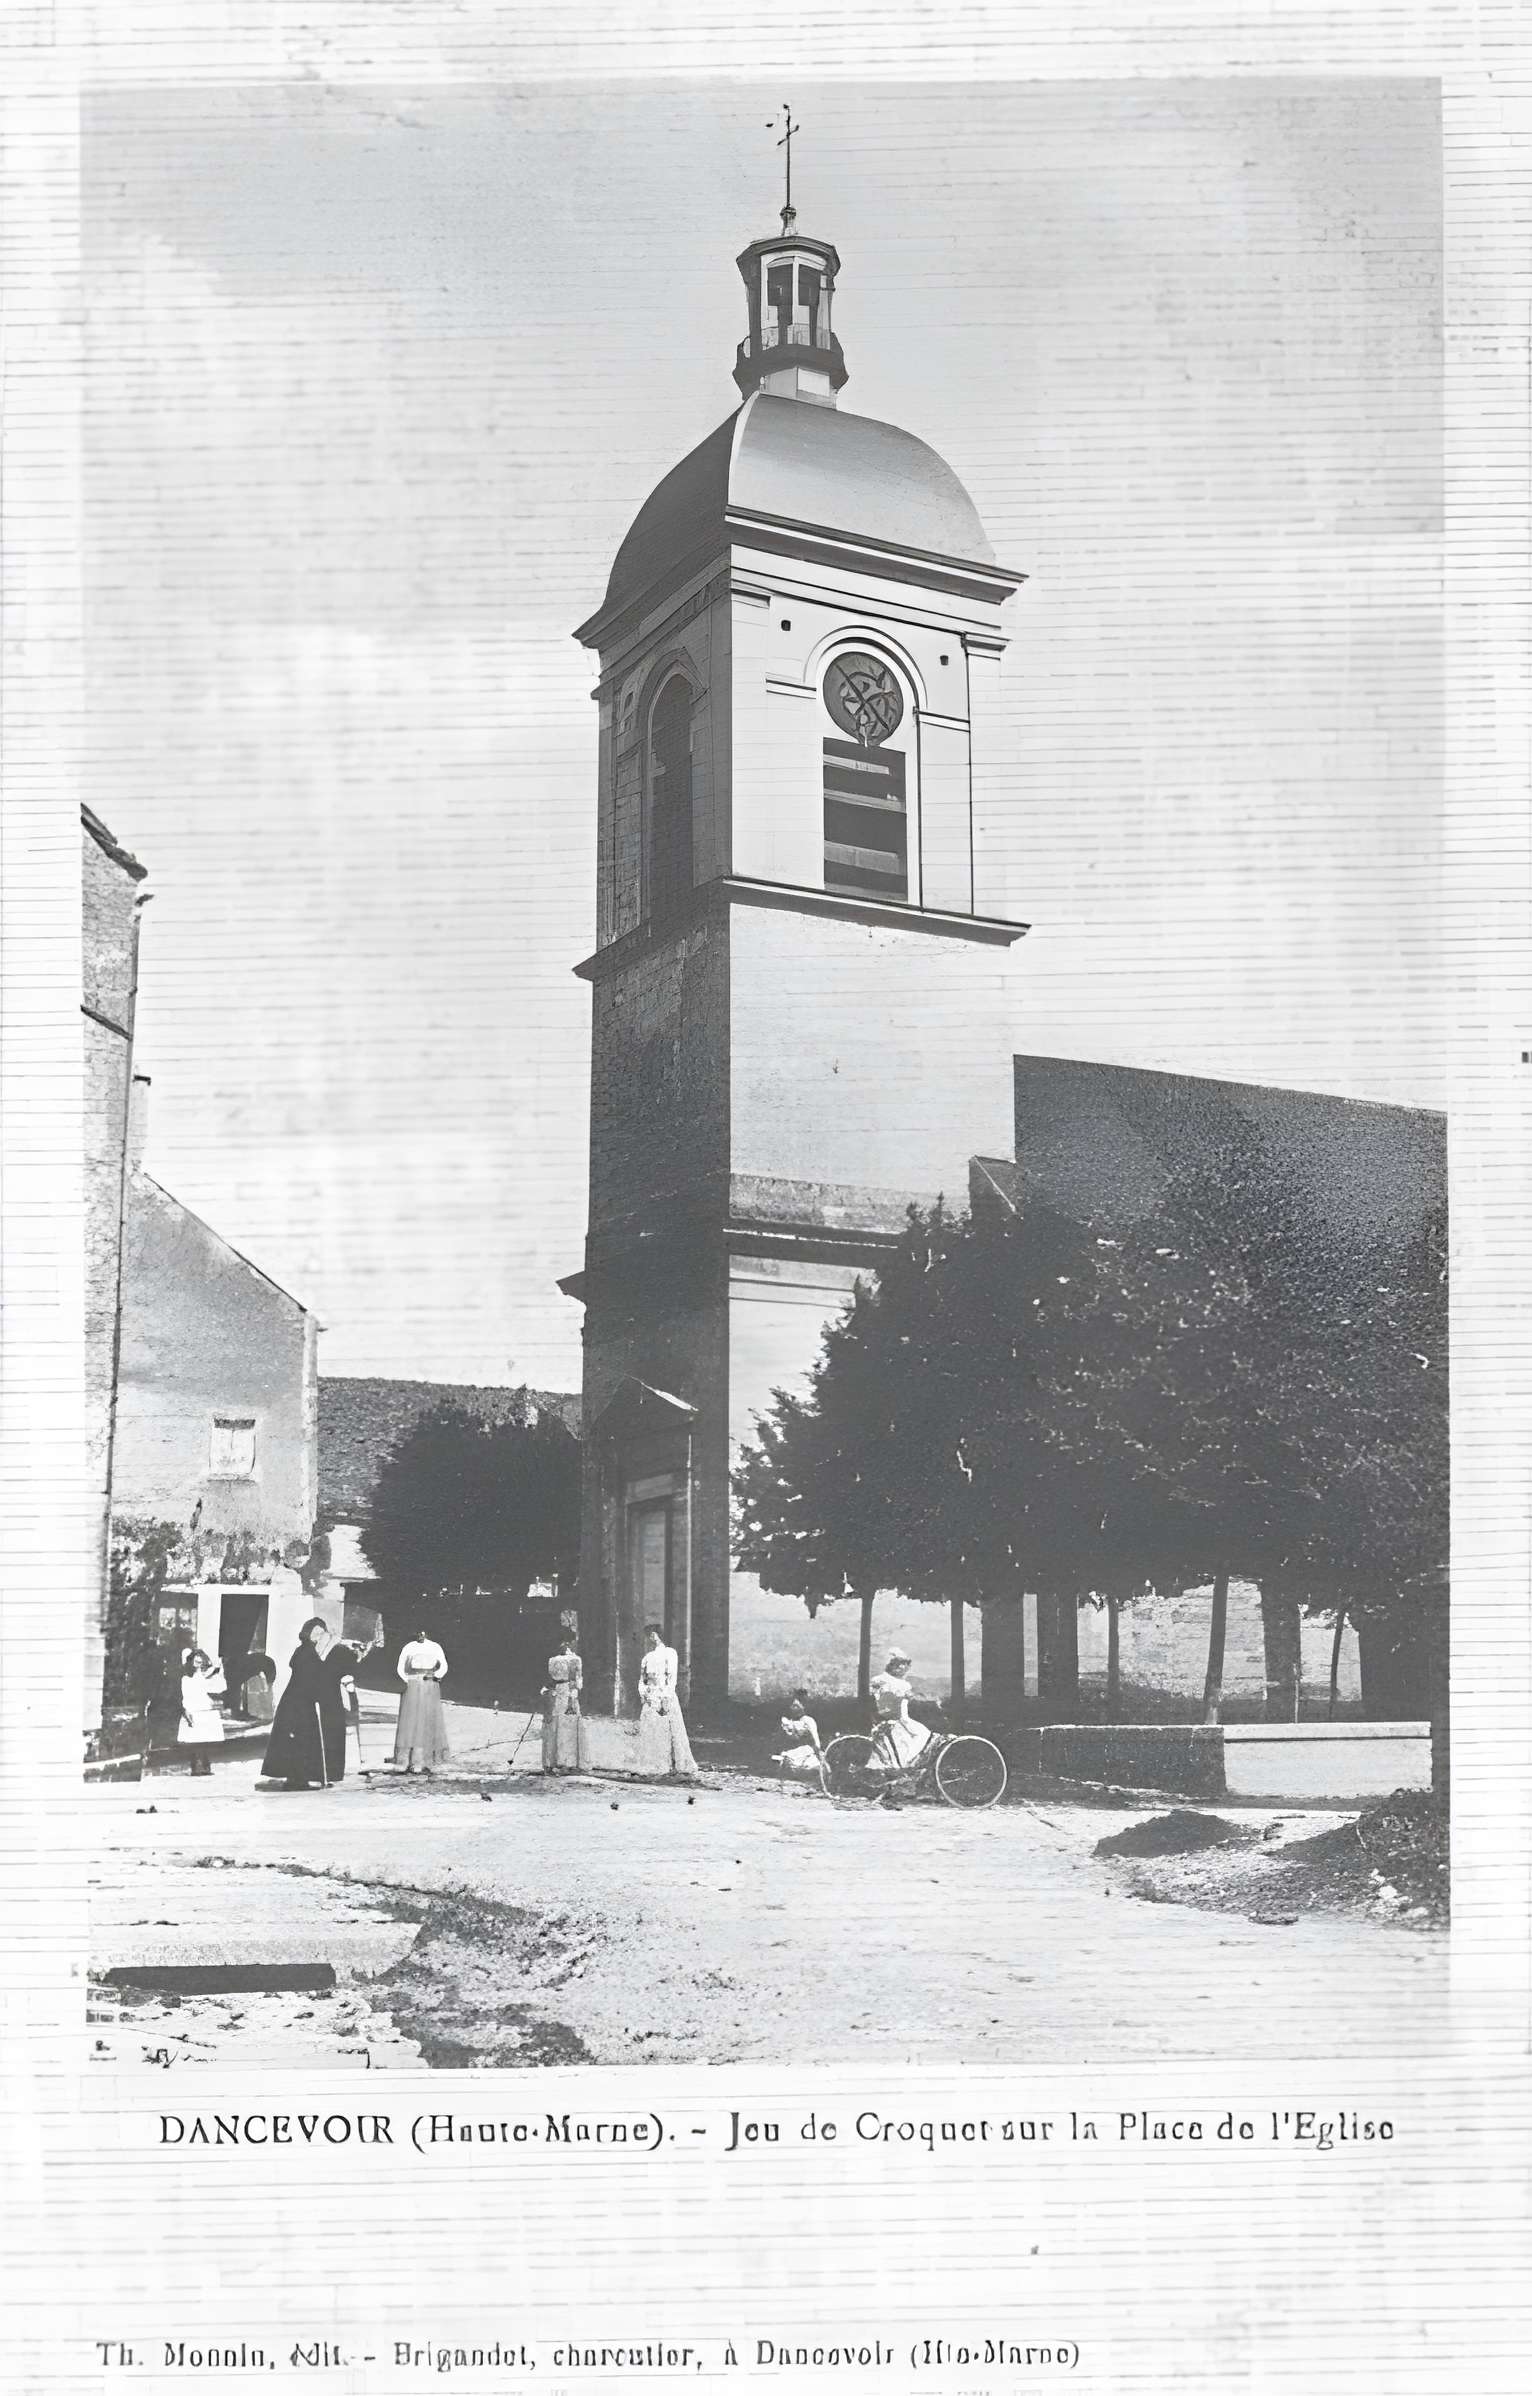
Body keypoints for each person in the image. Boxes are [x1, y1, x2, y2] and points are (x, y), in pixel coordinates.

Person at [260, 1618, 359, 1790]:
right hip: (296, 1704)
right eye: (315, 1632)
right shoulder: (304, 1651)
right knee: (298, 1740)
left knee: (308, 1741)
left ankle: (306, 1776)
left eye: (322, 1633)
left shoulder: (314, 1651)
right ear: (307, 1633)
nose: (319, 1636)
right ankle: (297, 1778)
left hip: (306, 1703)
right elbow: (312, 1673)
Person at [633, 1623, 698, 1781]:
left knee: (670, 1730)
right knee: (650, 1730)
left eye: (648, 1636)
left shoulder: (670, 1653)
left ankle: (672, 1765)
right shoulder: (647, 1657)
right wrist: (644, 1694)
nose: (647, 1640)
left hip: (665, 1695)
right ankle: (651, 1764)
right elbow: (642, 1679)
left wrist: (666, 1698)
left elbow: (672, 1678)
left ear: (654, 1636)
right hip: (651, 1697)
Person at [865, 1649, 933, 1784]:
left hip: (902, 1718)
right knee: (917, 1735)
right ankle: (903, 1767)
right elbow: (878, 1702)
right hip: (892, 1718)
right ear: (890, 1664)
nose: (902, 1667)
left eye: (904, 1664)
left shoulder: (905, 1684)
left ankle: (906, 1768)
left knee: (922, 1734)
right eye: (898, 1663)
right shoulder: (881, 1680)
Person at [392, 1628, 451, 1776]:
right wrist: (408, 1680)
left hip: (429, 1686)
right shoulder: (409, 1647)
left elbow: (443, 1665)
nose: (421, 1635)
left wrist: (435, 1675)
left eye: (424, 1632)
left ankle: (422, 1761)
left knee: (426, 1720)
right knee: (410, 1720)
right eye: (418, 1632)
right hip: (412, 1686)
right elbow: (400, 1666)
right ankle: (404, 1761)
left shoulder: (435, 1647)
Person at [541, 1633, 590, 1774]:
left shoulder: (575, 1659)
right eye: (560, 1642)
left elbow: (577, 1680)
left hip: (568, 1693)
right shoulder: (552, 1660)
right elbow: (550, 1678)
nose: (562, 1645)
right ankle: (551, 1762)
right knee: (553, 1725)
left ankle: (568, 1763)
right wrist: (546, 1688)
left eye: (565, 1642)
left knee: (568, 1726)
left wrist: (573, 1695)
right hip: (555, 1693)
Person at [177, 1649, 226, 1776]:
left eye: (200, 1659)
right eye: (196, 1659)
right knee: (194, 1741)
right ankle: (195, 1767)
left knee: (204, 1740)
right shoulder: (185, 1678)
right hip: (193, 1710)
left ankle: (205, 1766)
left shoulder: (202, 1677)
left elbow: (218, 1688)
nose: (199, 1662)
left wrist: (219, 1672)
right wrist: (186, 1711)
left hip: (204, 1709)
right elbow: (184, 1695)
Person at [772, 1689, 824, 1780]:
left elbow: (817, 1744)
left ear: (804, 1706)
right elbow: (778, 1741)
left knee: (794, 1761)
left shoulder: (808, 1721)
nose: (794, 1707)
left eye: (798, 1704)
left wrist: (801, 1753)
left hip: (806, 1754)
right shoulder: (787, 1721)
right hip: (790, 1753)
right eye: (793, 1704)